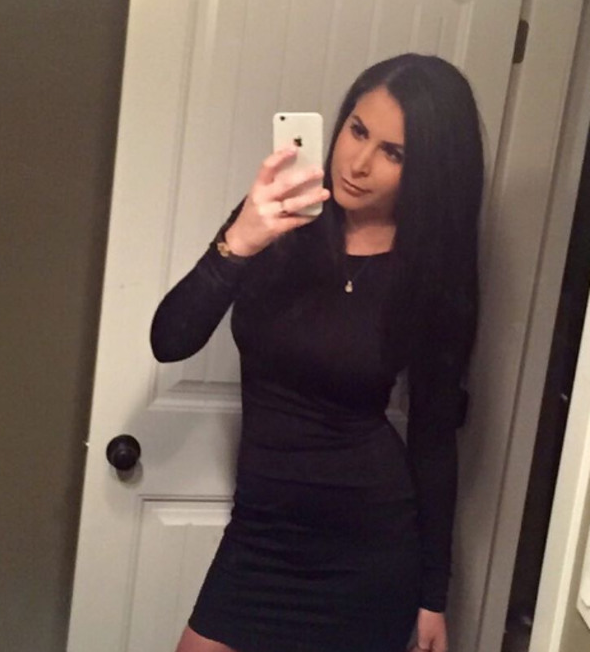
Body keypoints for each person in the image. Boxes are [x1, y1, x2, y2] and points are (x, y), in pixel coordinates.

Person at [150, 53, 484, 652]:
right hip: (259, 536)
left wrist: (433, 595)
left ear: (429, 170)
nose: (358, 163)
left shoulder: (432, 270)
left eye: (393, 152)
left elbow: (434, 437)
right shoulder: (275, 222)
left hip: (368, 551)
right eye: (358, 130)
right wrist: (238, 242)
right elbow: (169, 341)